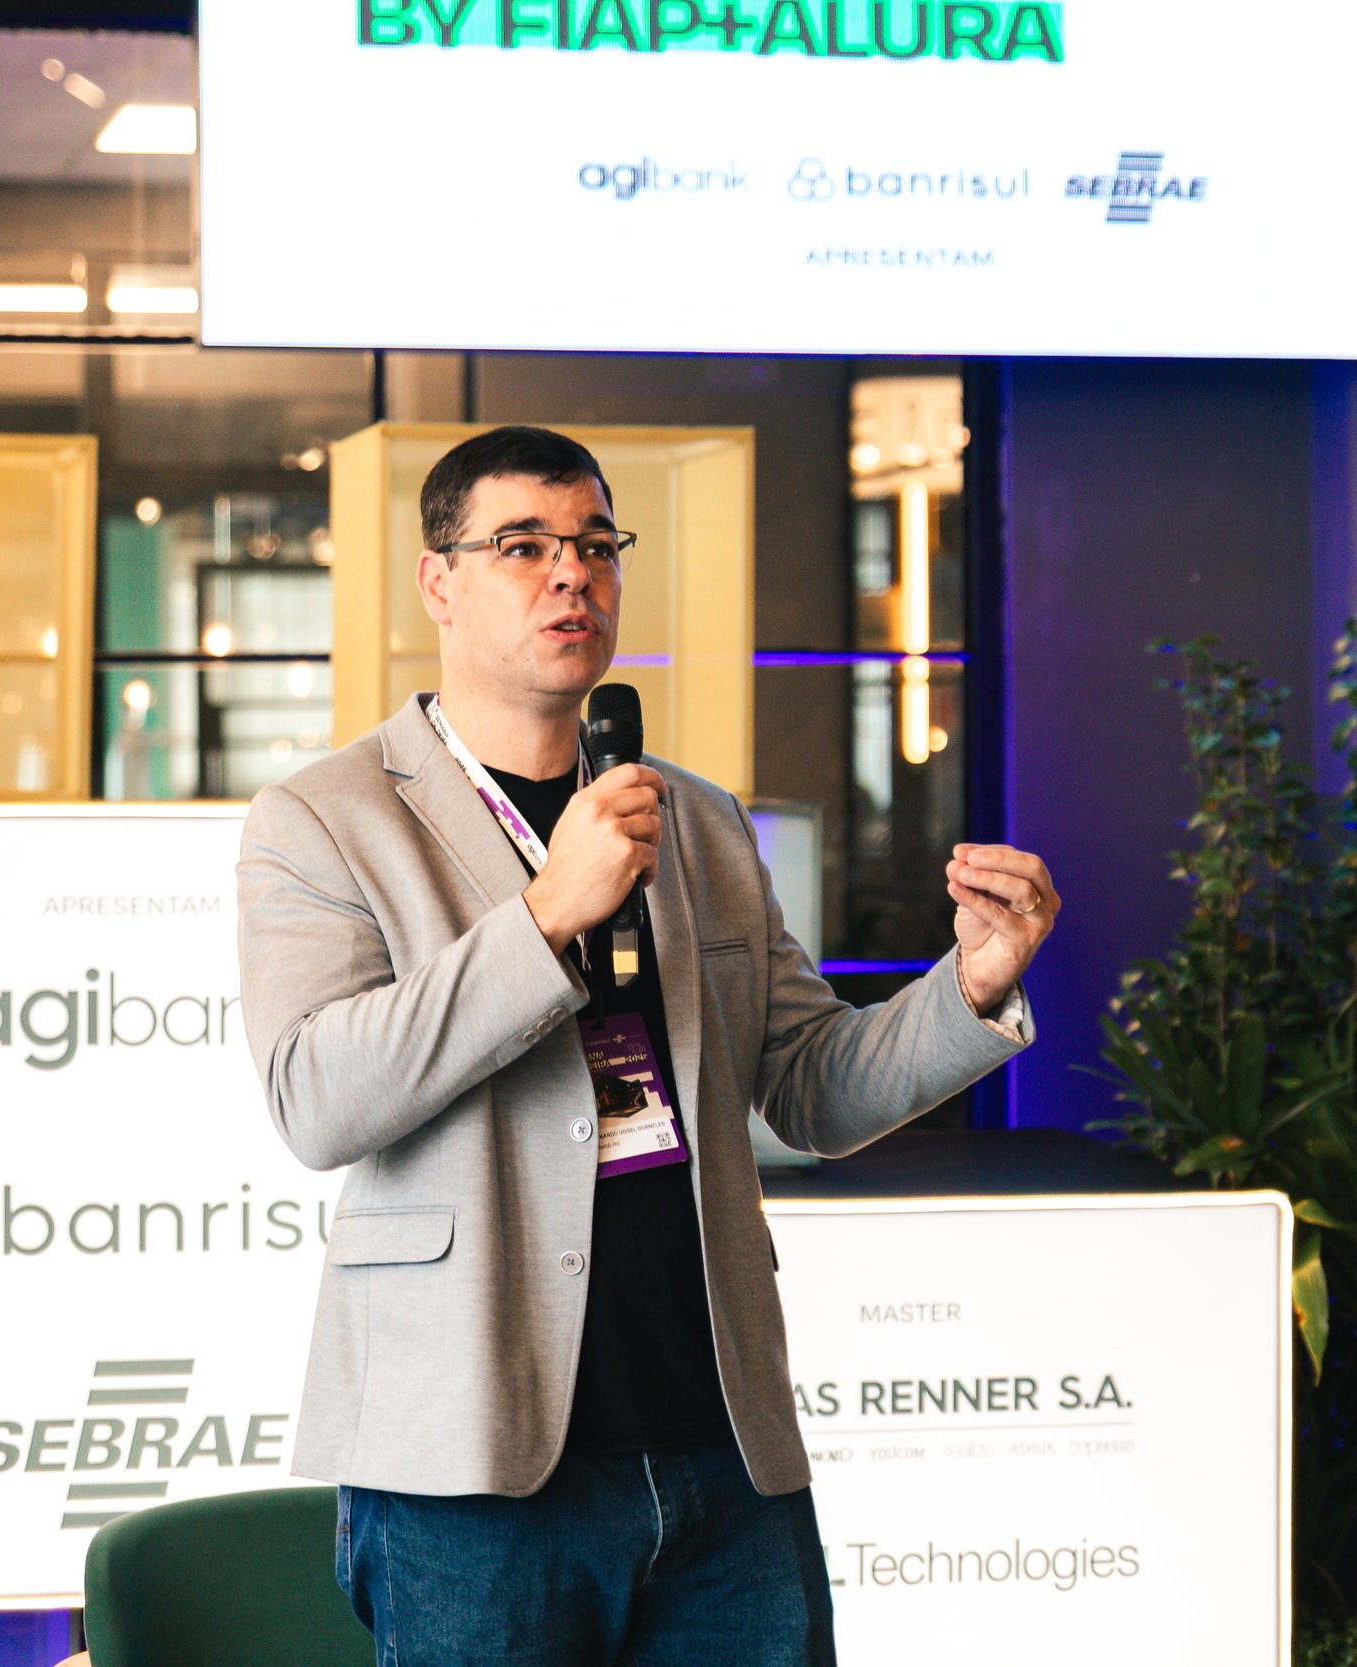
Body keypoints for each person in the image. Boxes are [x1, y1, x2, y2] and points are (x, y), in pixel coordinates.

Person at [235, 425, 1055, 1666]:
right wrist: (542, 916)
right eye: (524, 545)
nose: (572, 572)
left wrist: (971, 984)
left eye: (594, 543)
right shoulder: (325, 819)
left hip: (720, 1445)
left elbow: (814, 1088)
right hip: (473, 1461)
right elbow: (317, 1096)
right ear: (438, 581)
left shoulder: (700, 821)